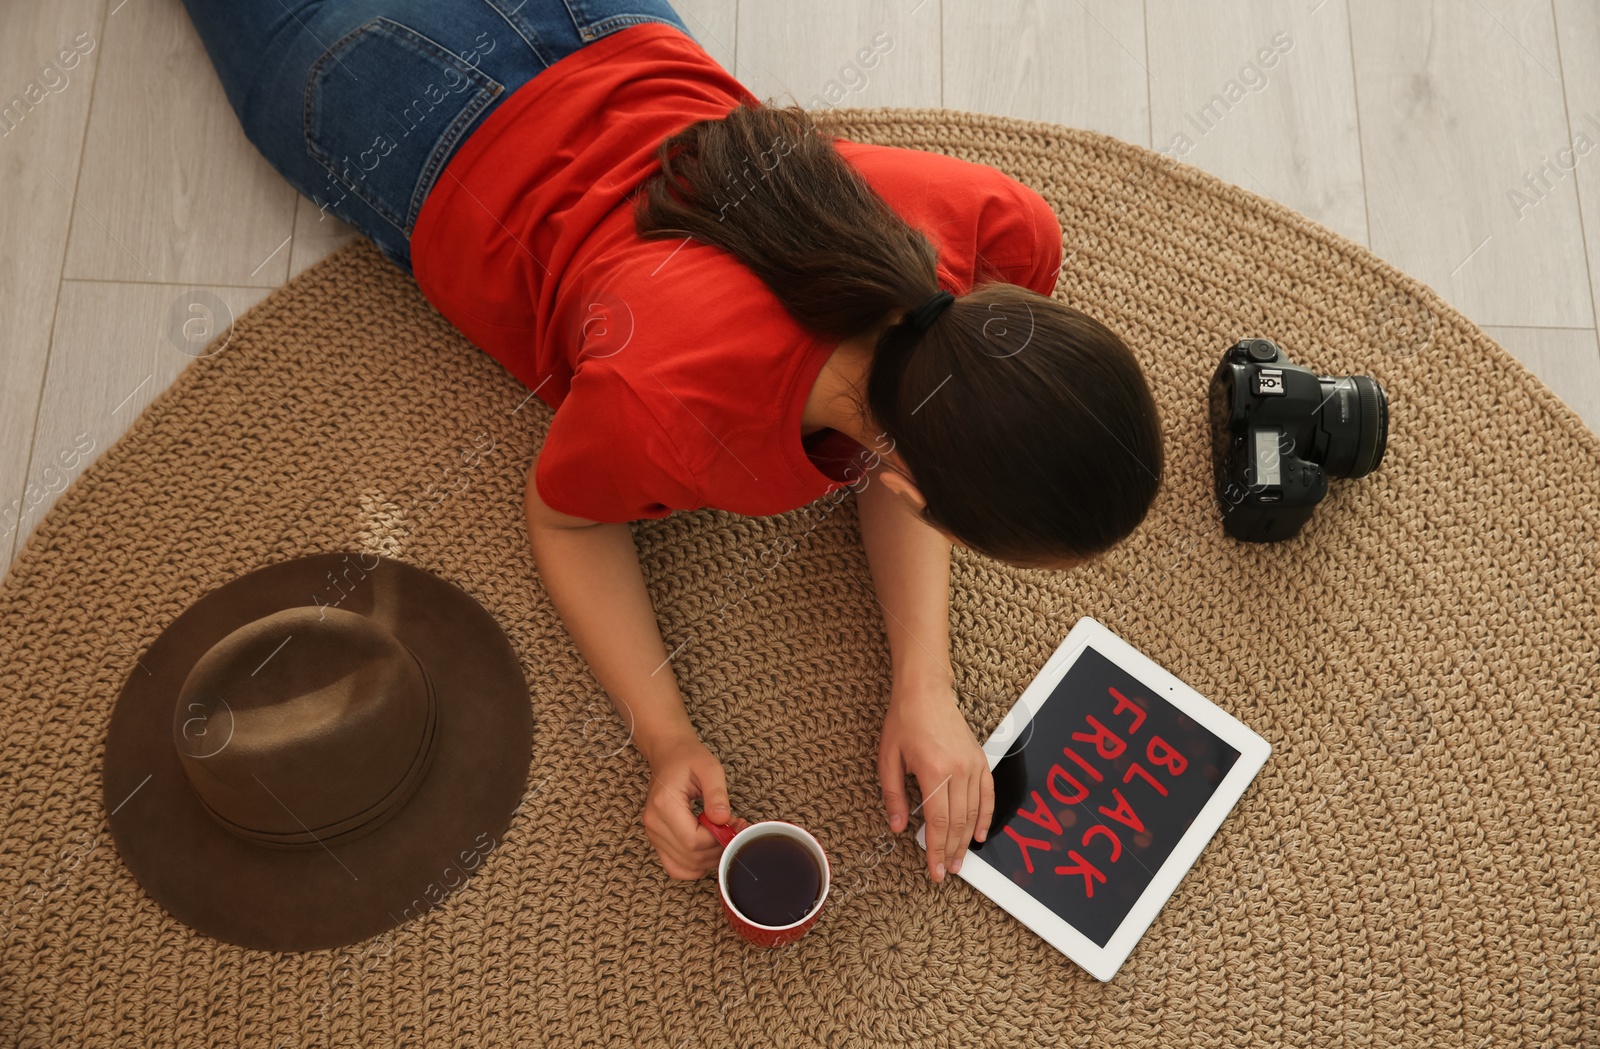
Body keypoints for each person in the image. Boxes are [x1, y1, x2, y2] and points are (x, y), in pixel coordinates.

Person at [179, 0, 1165, 888]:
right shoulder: (676, 407)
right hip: (407, 114)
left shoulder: (1003, 228)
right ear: (904, 486)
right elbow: (566, 515)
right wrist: (666, 736)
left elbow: (925, 407)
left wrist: (923, 679)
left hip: (605, 25)